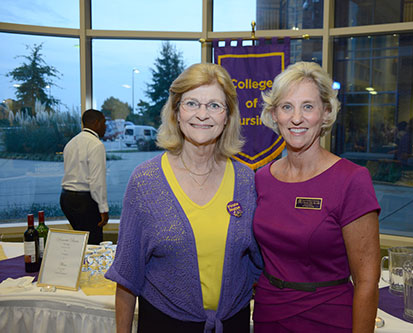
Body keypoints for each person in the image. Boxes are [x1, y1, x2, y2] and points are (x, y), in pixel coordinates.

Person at [105, 63, 262, 333]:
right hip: (163, 324)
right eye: (192, 103)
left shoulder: (247, 181)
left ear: (228, 116)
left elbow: (258, 265)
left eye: (214, 105)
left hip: (232, 324)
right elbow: (127, 275)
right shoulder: (145, 182)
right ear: (176, 112)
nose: (203, 114)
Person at [253, 62, 381, 332]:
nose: (296, 118)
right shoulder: (262, 178)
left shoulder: (351, 180)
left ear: (326, 113)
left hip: (327, 317)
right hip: (268, 313)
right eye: (287, 106)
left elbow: (367, 279)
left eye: (308, 106)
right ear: (274, 114)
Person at [60, 109, 109, 245]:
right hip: (85, 202)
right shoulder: (96, 145)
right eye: (104, 123)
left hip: (66, 199)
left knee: (80, 242)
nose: (105, 127)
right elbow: (97, 181)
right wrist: (103, 209)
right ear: (96, 123)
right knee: (93, 243)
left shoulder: (71, 143)